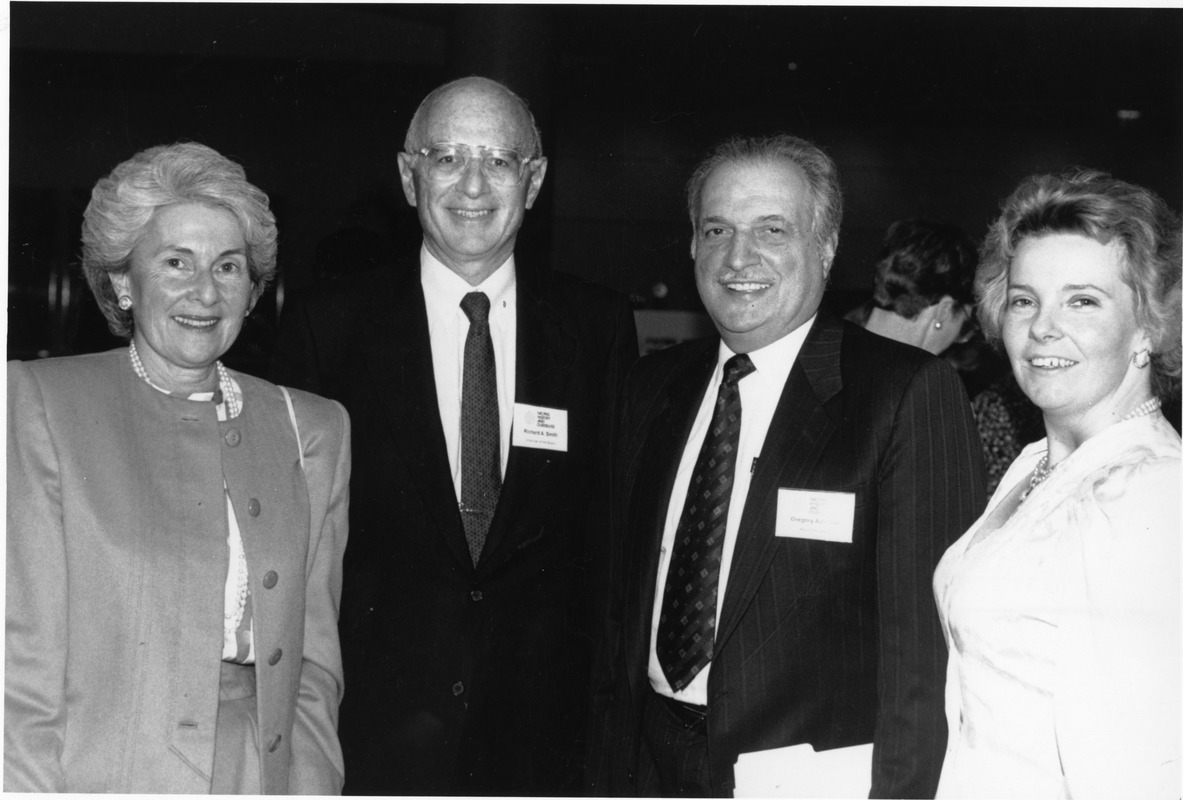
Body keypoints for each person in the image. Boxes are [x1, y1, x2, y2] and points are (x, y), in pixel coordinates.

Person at [587, 134, 987, 798]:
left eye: (771, 230)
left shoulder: (902, 393)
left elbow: (923, 661)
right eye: (716, 229)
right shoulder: (648, 388)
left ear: (824, 247)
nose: (738, 257)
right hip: (645, 768)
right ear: (691, 244)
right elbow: (612, 614)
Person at [271, 76, 638, 795]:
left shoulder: (595, 328)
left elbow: (608, 538)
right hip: (373, 734)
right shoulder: (328, 326)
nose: (473, 184)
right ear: (409, 176)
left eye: (499, 160)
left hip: (543, 742)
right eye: (447, 158)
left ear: (532, 182)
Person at [5, 142, 351, 793]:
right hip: (96, 776)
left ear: (252, 292)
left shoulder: (314, 428)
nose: (204, 291)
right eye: (175, 262)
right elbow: (20, 669)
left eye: (228, 267)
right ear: (121, 283)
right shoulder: (39, 404)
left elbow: (313, 668)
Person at [933, 169, 1181, 798]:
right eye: (1025, 299)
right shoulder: (1035, 463)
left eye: (1082, 300)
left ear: (1149, 326)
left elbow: (1137, 771)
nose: (1043, 327)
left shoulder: (1142, 490)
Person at [849, 219, 1043, 494]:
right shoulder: (921, 395)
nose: (963, 338)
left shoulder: (824, 354)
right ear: (943, 312)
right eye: (966, 324)